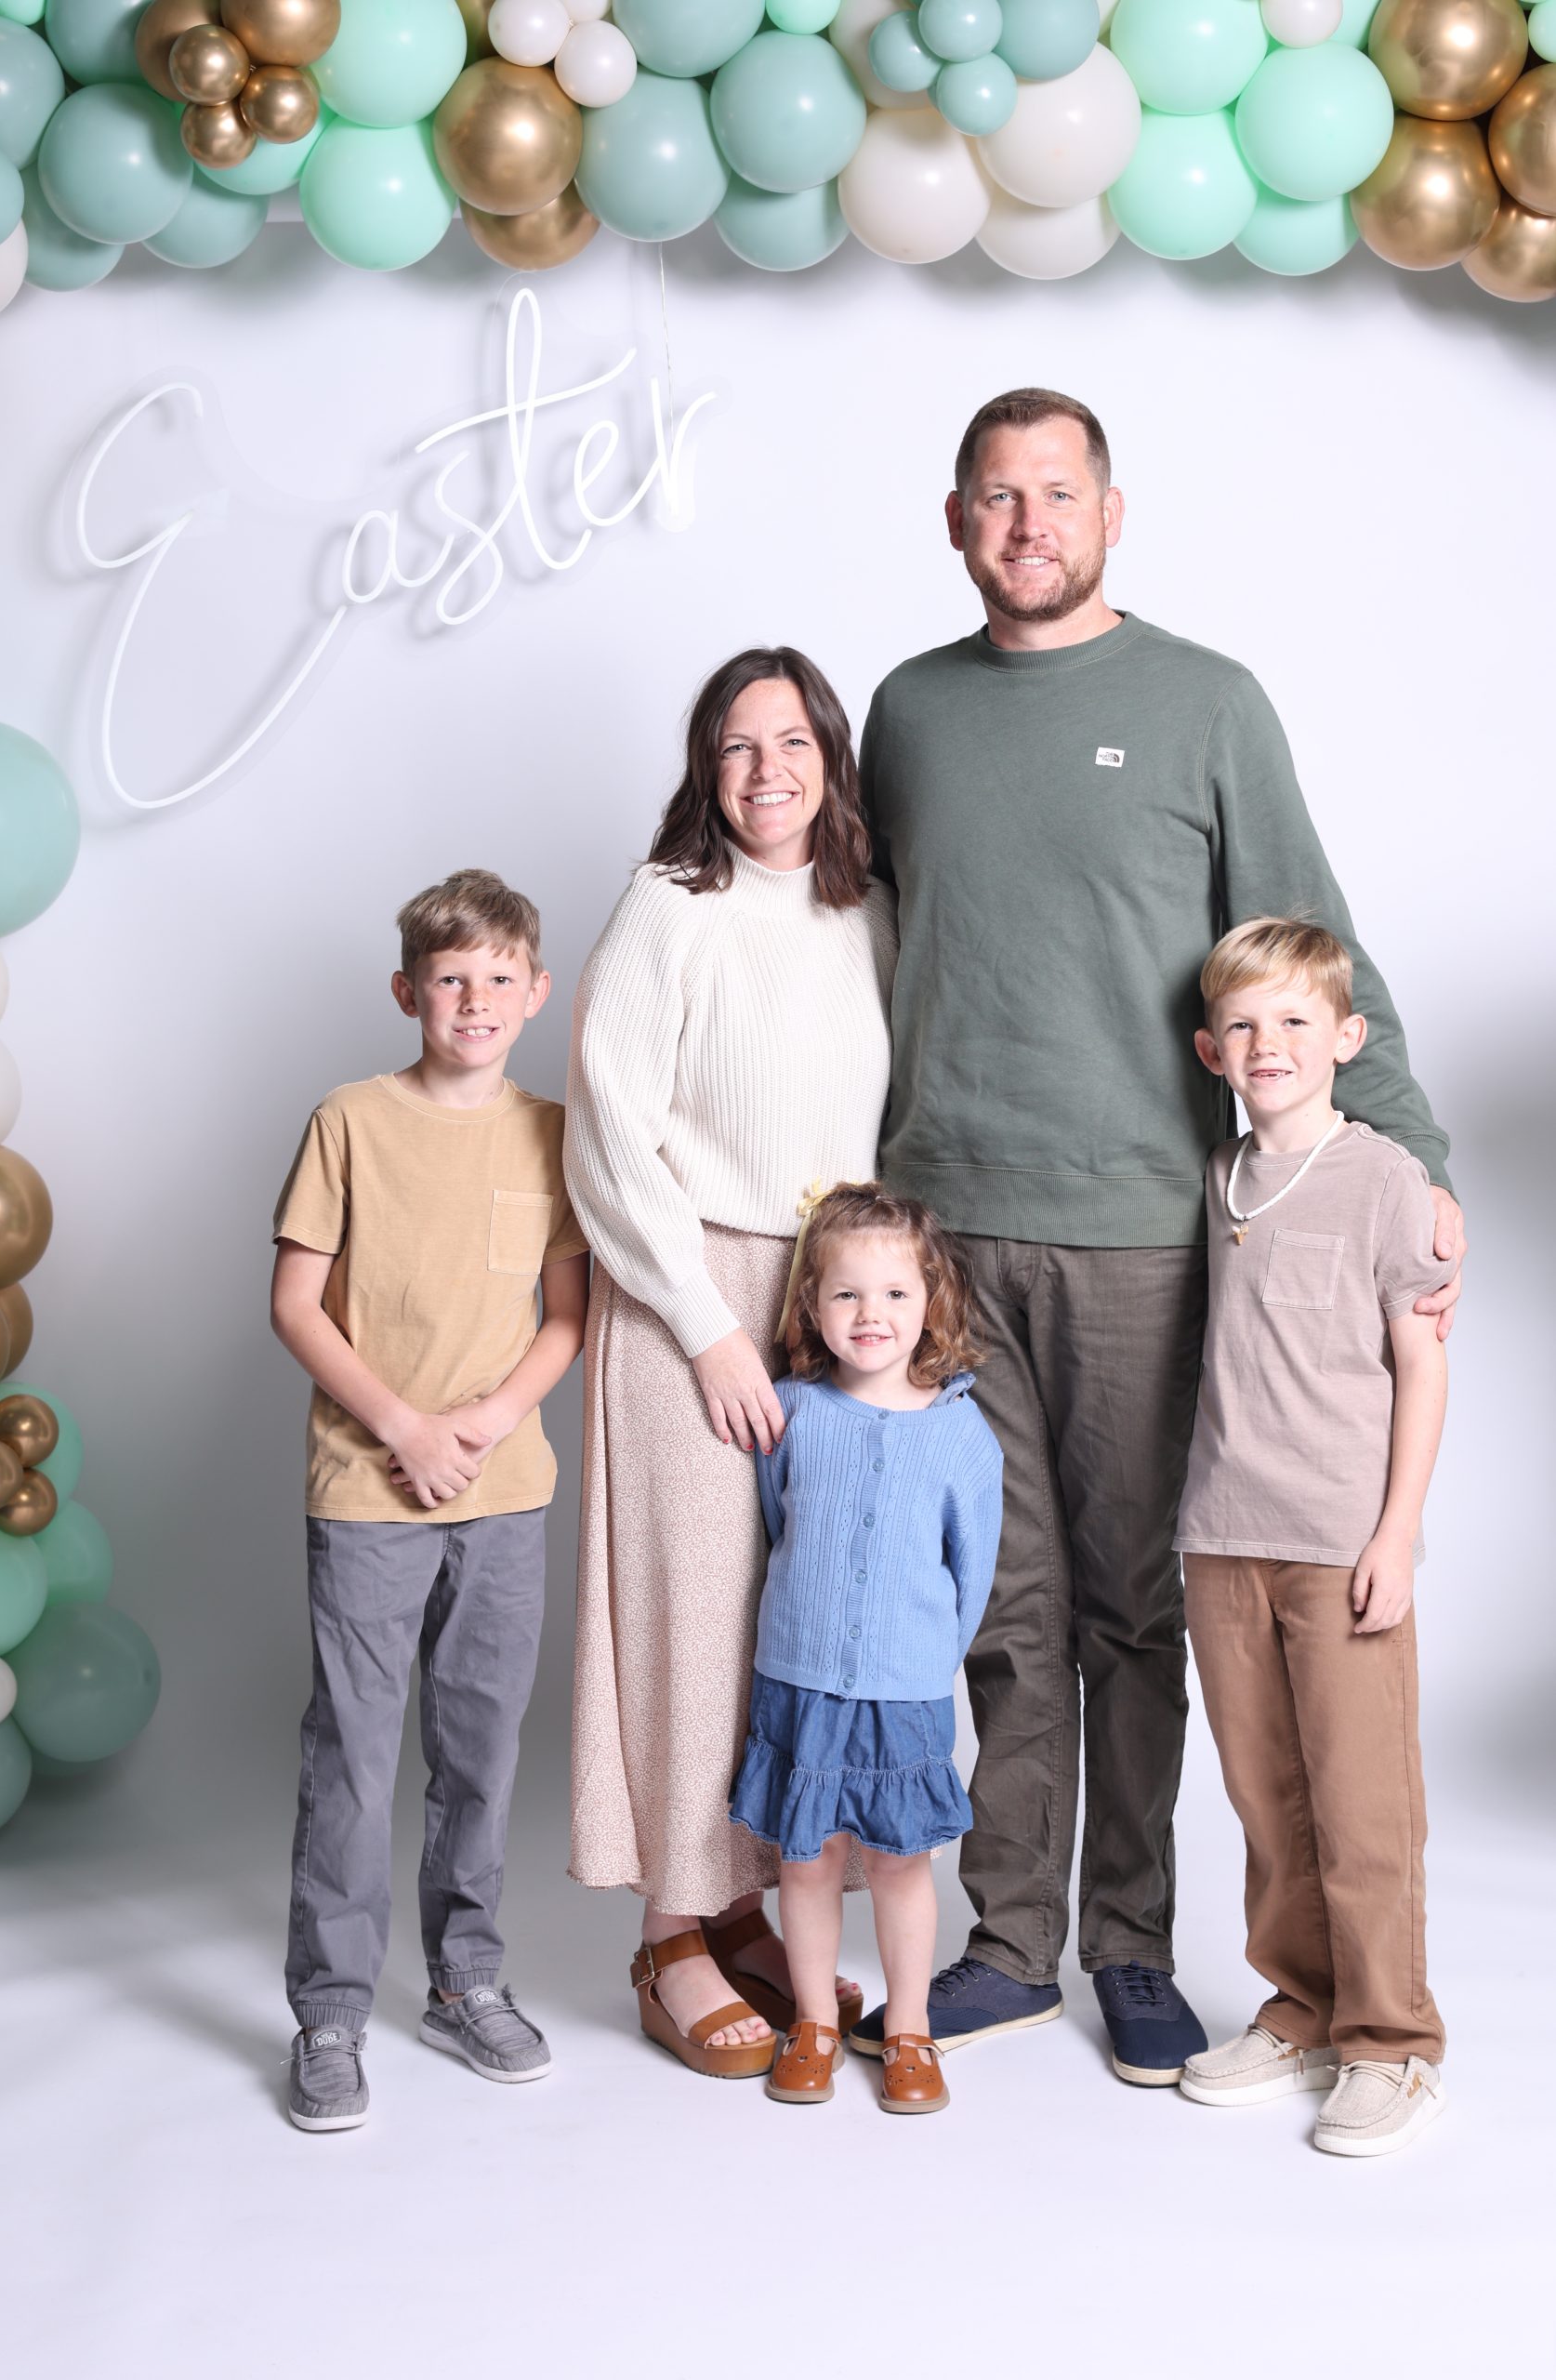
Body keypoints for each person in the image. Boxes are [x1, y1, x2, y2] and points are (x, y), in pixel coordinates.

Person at [852, 386, 1466, 2088]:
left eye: (1057, 494)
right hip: (948, 1231)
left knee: (1130, 1612)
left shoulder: (1205, 704)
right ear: (955, 520)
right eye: (997, 496)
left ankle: (1127, 1945)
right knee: (1001, 1609)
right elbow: (851, 945)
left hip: (1140, 1234)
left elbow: (1310, 939)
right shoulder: (905, 712)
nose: (1027, 523)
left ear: (1110, 516)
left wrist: (1410, 1150)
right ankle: (1006, 1943)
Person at [564, 649, 897, 2080]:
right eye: (737, 746)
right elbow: (605, 1126)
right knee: (693, 1613)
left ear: (830, 760)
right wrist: (703, 1325)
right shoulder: (669, 904)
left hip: (831, 1288)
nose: (767, 772)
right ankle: (670, 1929)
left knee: (796, 1616)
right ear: (707, 768)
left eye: (792, 742)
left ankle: (750, 1901)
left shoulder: (865, 912)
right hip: (684, 1282)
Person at [270, 869, 589, 2133]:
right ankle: (329, 2012)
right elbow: (296, 1303)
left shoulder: (554, 1132)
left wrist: (489, 1420)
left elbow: (565, 1317)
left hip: (502, 1493)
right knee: (352, 1754)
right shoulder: (348, 1119)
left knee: (481, 1747)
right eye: (449, 978)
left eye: (498, 978)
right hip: (367, 1486)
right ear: (408, 992)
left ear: (536, 991)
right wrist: (403, 1428)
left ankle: (465, 1982)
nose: (474, 999)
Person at [1175, 919, 1450, 2157]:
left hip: (1339, 1542)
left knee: (1361, 1800)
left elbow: (1420, 1365)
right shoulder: (1214, 1178)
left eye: (1293, 1021)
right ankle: (1301, 2010)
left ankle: (1391, 2041)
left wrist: (1395, 1534)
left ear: (1345, 1038)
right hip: (1220, 1537)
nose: (1266, 1043)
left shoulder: (1383, 1178)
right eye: (1240, 1025)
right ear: (1208, 1051)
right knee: (1264, 1797)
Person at [732, 1185, 1002, 2116]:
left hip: (904, 1692)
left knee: (897, 1863)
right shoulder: (789, 1412)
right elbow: (778, 1528)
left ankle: (909, 2030)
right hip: (798, 1682)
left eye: (893, 1294)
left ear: (931, 1303)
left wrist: (919, 1663)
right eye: (845, 1294)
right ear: (811, 1306)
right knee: (805, 1862)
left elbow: (971, 1573)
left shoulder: (961, 1434)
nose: (869, 1314)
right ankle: (812, 2022)